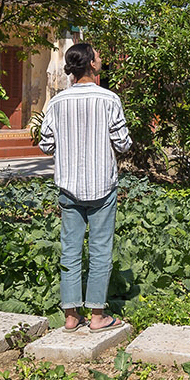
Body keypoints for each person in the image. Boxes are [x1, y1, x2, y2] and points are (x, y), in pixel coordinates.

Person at [37, 42, 132, 332]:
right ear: (91, 63)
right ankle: (98, 316)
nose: (101, 59)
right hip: (102, 185)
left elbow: (45, 144)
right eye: (99, 55)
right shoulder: (109, 99)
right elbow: (123, 143)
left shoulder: (57, 102)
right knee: (101, 249)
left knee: (70, 250)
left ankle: (70, 315)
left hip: (68, 187)